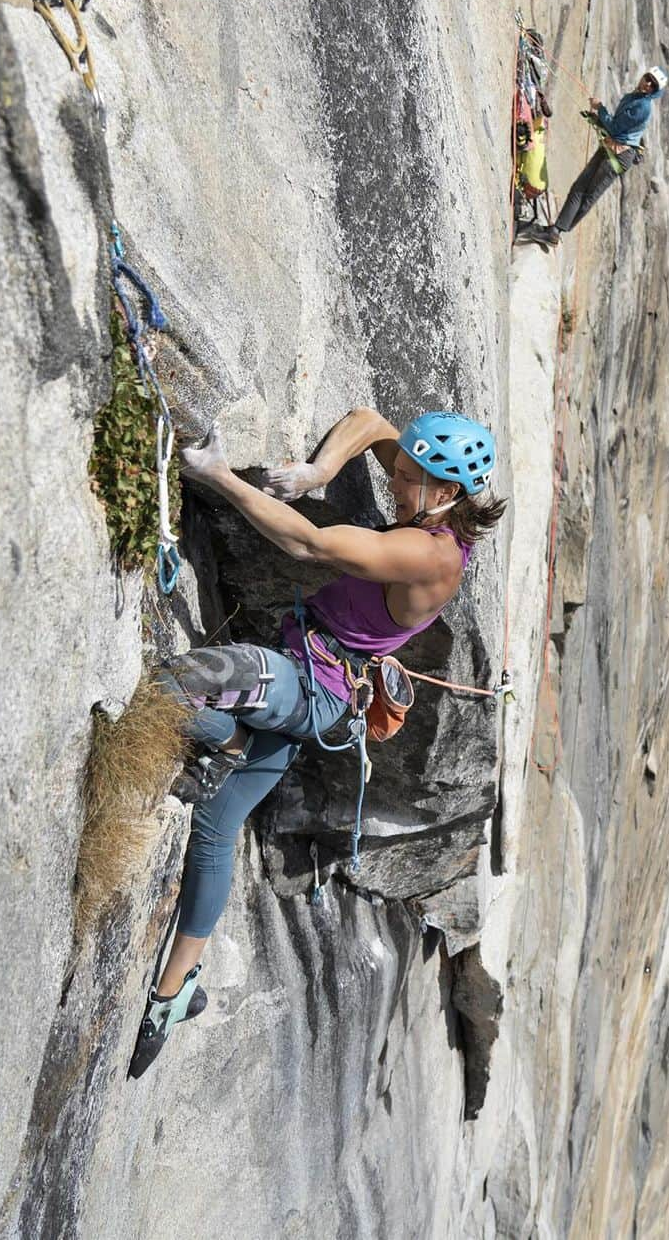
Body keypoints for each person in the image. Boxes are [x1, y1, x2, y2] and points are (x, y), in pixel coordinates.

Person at [128, 407, 506, 1078]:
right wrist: (320, 471)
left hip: (311, 686)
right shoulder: (436, 505)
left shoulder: (428, 553)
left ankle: (233, 743)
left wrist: (217, 474)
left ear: (446, 492)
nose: (396, 483)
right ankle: (174, 991)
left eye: (410, 478)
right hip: (304, 660)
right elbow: (369, 420)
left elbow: (306, 546)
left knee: (188, 680)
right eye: (402, 469)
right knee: (217, 824)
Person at [516, 66, 668, 248]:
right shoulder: (634, 97)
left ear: (655, 91)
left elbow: (615, 127)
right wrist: (597, 119)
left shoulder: (643, 107)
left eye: (652, 85)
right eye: (647, 78)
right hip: (612, 147)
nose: (647, 84)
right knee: (579, 187)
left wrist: (600, 109)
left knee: (589, 194)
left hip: (619, 156)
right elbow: (618, 128)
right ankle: (555, 231)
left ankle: (556, 231)